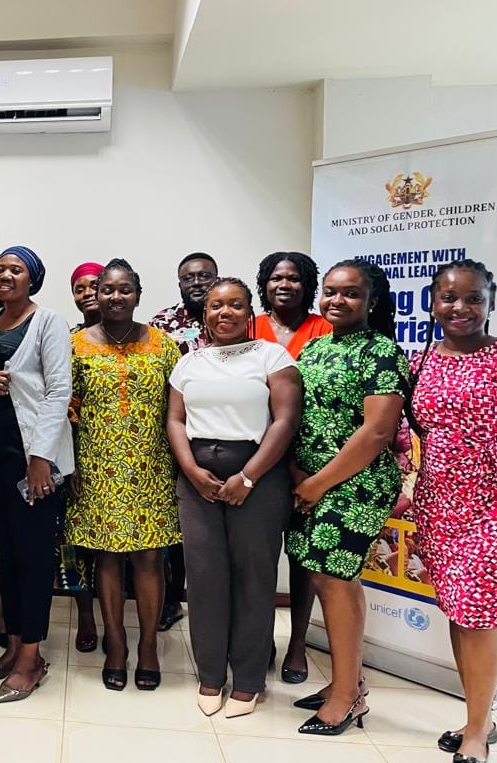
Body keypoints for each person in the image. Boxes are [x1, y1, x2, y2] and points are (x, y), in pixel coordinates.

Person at [410, 259, 497, 762]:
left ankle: (479, 731)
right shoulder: (421, 362)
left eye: (474, 298)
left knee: (479, 615)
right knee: (460, 611)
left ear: (491, 302)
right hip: (440, 503)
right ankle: (477, 717)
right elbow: (419, 430)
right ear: (432, 303)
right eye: (449, 297)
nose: (460, 307)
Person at [167, 277, 301, 716]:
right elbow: (175, 420)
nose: (225, 312)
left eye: (236, 305)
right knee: (204, 578)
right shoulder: (189, 362)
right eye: (216, 306)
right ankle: (210, 675)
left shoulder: (271, 356)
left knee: (253, 578)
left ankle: (248, 680)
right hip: (197, 478)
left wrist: (248, 476)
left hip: (257, 477)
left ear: (249, 312)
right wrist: (191, 470)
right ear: (204, 314)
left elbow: (285, 420)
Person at [286, 259, 408, 736]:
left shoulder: (382, 352)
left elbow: (376, 432)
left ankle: (346, 698)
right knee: (326, 577)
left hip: (356, 484)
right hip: (309, 482)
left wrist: (318, 483)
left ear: (371, 301)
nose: (338, 300)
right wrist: (299, 472)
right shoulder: (316, 348)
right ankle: (348, 681)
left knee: (335, 579)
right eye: (331, 291)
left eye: (351, 293)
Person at [0, 246, 74, 704]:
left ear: (32, 279)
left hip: (30, 455)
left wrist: (41, 456)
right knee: (6, 552)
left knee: (33, 556)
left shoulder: (48, 323)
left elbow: (59, 390)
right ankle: (11, 648)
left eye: (15, 269)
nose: (3, 275)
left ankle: (32, 657)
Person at [68, 259, 181, 692]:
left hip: (152, 466)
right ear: (97, 295)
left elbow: (179, 410)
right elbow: (63, 408)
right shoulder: (76, 345)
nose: (115, 297)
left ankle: (148, 645)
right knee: (106, 557)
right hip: (95, 465)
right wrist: (69, 464)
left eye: (124, 289)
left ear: (138, 294)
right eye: (107, 290)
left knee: (150, 558)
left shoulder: (164, 345)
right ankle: (115, 643)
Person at [253, 251, 332, 685]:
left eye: (295, 278)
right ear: (264, 284)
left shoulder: (325, 329)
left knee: (302, 559)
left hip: (309, 464)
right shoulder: (249, 328)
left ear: (308, 285)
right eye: (276, 278)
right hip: (258, 460)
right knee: (260, 557)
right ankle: (260, 637)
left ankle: (298, 643)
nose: (284, 285)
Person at [150, 252, 219, 631]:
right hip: (174, 434)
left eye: (203, 275)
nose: (196, 283)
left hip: (223, 434)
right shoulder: (162, 324)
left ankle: (215, 601)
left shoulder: (232, 317)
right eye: (188, 278)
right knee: (173, 524)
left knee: (214, 525)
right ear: (179, 284)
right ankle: (172, 598)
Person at [60, 262, 102, 654]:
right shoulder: (67, 340)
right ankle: (86, 616)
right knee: (74, 544)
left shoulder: (136, 338)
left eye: (95, 285)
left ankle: (116, 620)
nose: (87, 293)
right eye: (79, 288)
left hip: (123, 458)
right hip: (74, 454)